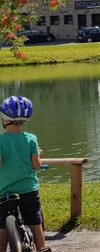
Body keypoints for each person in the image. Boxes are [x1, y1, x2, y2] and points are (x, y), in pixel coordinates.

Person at [0, 96, 50, 252]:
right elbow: (36, 166)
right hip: (29, 189)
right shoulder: (31, 139)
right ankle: (42, 248)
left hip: (5, 191)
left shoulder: (1, 141)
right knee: (35, 222)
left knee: (1, 228)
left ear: (5, 120)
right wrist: (38, 156)